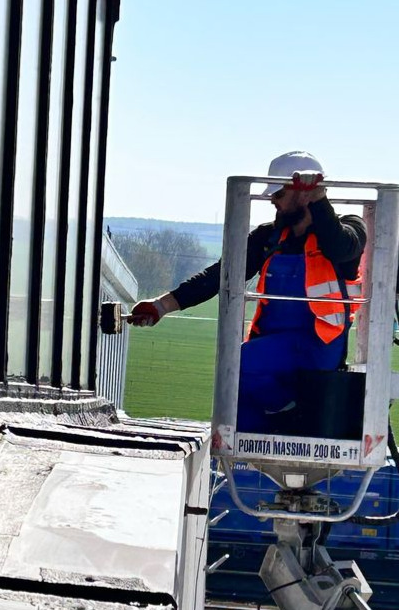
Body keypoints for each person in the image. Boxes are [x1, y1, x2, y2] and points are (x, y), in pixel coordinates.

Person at [129, 151, 367, 434]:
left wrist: (318, 199)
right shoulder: (268, 237)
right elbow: (221, 274)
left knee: (239, 365)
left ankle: (285, 416)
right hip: (274, 346)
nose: (272, 201)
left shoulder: (350, 229)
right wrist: (162, 305)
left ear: (304, 193)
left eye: (278, 194)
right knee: (235, 385)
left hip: (318, 348)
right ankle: (268, 431)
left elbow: (340, 246)